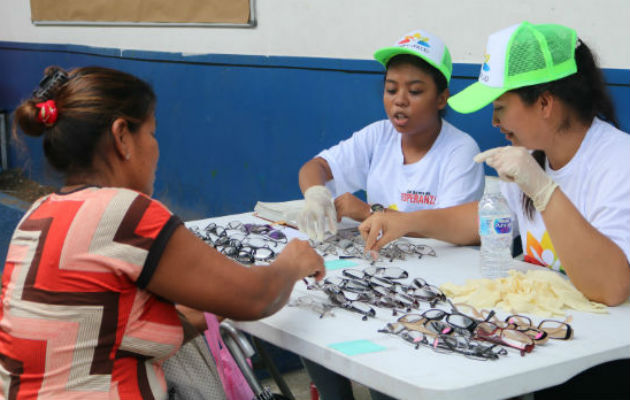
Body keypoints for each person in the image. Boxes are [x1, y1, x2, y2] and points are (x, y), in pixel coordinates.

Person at [0, 66, 325, 399]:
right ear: (122, 136)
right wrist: (291, 263)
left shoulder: (38, 215)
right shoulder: (125, 212)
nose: (156, 149)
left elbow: (105, 331)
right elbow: (258, 298)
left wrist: (214, 305)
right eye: (152, 134)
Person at [359, 22, 629, 398]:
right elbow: (483, 220)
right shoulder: (535, 157)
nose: (494, 123)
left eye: (500, 108)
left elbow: (612, 287)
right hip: (554, 344)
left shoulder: (617, 161)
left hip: (606, 364)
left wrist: (544, 191)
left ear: (545, 103)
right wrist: (404, 221)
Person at [297, 29, 484, 242]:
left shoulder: (460, 150)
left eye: (414, 92)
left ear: (441, 99)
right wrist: (316, 194)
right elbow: (316, 167)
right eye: (391, 90)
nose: (400, 100)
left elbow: (453, 228)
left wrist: (369, 212)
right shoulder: (379, 135)